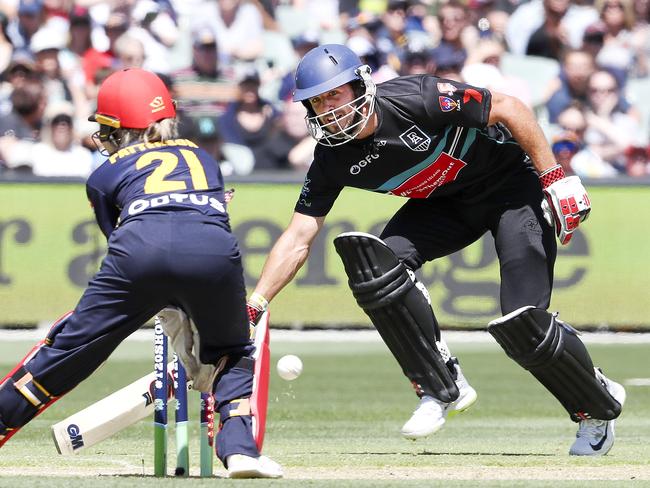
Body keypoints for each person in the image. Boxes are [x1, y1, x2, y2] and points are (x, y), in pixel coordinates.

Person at [245, 43, 626, 456]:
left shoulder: (417, 97)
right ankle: (440, 384)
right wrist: (256, 304)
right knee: (376, 264)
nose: (328, 110)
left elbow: (511, 107)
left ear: (360, 86)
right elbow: (299, 235)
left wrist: (553, 178)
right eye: (316, 102)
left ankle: (594, 406)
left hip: (512, 190)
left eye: (334, 95)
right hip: (447, 205)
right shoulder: (330, 159)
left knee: (524, 324)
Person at [0, 68, 282, 479]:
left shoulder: (103, 174)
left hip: (138, 255)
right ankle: (240, 451)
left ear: (119, 128)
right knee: (234, 351)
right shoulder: (204, 158)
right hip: (214, 253)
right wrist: (190, 307)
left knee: (70, 348)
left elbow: (121, 238)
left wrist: (162, 297)